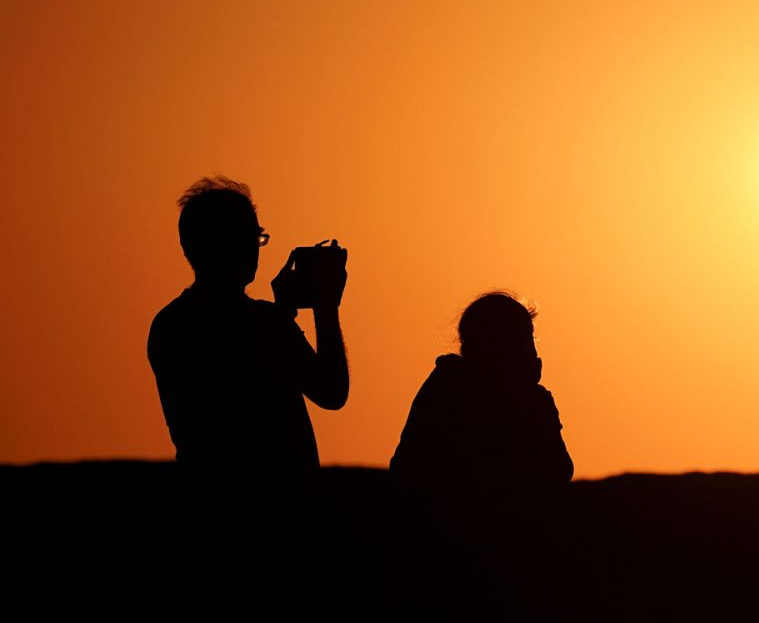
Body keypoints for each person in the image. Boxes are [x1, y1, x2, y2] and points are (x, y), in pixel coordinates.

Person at [147, 177, 348, 472]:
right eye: (251, 238)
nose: (255, 249)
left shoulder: (168, 325)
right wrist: (325, 305)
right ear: (227, 243)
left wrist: (282, 315)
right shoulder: (264, 324)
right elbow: (331, 392)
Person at [390, 292, 573, 486]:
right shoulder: (448, 393)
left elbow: (561, 468)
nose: (533, 354)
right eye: (524, 341)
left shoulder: (534, 403)